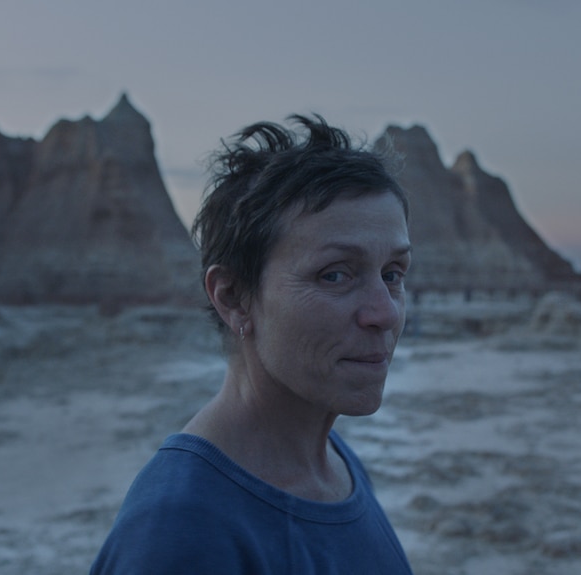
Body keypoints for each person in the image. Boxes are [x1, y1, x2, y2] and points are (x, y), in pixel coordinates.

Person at [90, 115, 414, 574]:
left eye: (393, 275)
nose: (384, 313)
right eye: (335, 274)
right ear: (233, 297)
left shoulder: (335, 464)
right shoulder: (179, 534)